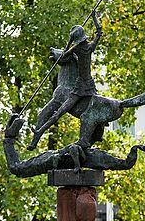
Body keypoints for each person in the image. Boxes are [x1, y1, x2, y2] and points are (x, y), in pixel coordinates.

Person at [26, 13, 102, 151]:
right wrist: (94, 19)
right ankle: (100, 128)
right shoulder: (90, 47)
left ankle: (38, 134)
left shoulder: (76, 49)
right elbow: (99, 33)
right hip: (90, 86)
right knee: (96, 104)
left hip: (79, 87)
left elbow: (63, 55)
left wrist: (69, 42)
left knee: (59, 112)